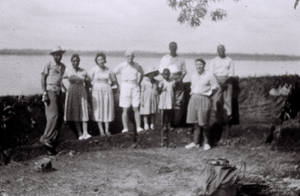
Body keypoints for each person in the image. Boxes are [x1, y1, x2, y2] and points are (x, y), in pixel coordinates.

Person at [185, 59, 218, 151]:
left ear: (204, 65)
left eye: (201, 65)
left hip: (204, 98)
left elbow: (215, 87)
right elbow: (192, 87)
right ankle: (195, 142)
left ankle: (206, 143)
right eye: (197, 65)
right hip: (194, 98)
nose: (199, 66)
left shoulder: (209, 75)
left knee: (204, 122)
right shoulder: (193, 75)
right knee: (195, 122)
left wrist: (208, 95)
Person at [40, 46, 66, 155]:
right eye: (56, 54)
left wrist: (64, 88)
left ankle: (52, 141)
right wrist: (44, 93)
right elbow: (43, 78)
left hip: (58, 91)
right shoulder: (49, 64)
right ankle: (45, 138)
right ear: (53, 55)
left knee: (59, 118)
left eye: (60, 54)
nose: (58, 56)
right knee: (53, 115)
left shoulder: (63, 66)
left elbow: (59, 80)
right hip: (50, 90)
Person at [113, 50, 144, 133]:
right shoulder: (122, 66)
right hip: (125, 86)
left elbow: (142, 73)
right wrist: (117, 85)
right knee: (125, 108)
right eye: (128, 56)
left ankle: (138, 127)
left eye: (131, 56)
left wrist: (139, 82)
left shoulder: (137, 65)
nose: (130, 57)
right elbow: (113, 74)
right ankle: (125, 128)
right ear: (125, 57)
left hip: (135, 85)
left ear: (134, 57)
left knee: (136, 107)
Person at [209, 44, 234, 144]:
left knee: (228, 103)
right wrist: (219, 82)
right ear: (217, 51)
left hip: (227, 82)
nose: (221, 51)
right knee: (216, 102)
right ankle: (218, 123)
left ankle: (227, 129)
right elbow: (211, 73)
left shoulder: (230, 60)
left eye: (222, 49)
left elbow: (231, 73)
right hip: (217, 82)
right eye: (219, 49)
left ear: (225, 50)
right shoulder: (214, 61)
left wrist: (225, 82)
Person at [159, 42, 187, 127]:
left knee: (178, 102)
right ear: (169, 48)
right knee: (168, 102)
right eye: (171, 48)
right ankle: (166, 123)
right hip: (168, 80)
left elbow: (184, 72)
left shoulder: (181, 58)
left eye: (174, 47)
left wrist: (179, 79)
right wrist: (167, 80)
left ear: (177, 48)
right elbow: (161, 72)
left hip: (178, 80)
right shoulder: (165, 58)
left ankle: (175, 123)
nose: (173, 49)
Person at [64, 54, 91, 140]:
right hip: (72, 92)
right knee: (76, 111)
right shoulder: (68, 70)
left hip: (82, 91)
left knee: (83, 110)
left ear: (79, 61)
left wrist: (88, 93)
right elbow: (60, 79)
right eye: (74, 61)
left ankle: (85, 132)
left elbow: (88, 83)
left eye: (77, 61)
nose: (76, 62)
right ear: (71, 62)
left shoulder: (83, 71)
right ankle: (79, 133)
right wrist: (64, 89)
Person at [89, 53, 116, 137]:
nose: (101, 61)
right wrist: (93, 88)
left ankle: (107, 130)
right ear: (96, 61)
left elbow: (114, 81)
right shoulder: (93, 70)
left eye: (102, 59)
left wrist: (108, 87)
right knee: (98, 110)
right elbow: (88, 81)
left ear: (105, 60)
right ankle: (101, 131)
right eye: (99, 60)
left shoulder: (109, 70)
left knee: (107, 109)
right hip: (97, 92)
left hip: (107, 91)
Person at [158, 68, 176, 147]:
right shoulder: (161, 82)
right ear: (162, 75)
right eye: (164, 74)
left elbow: (174, 89)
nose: (166, 76)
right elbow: (158, 91)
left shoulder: (173, 81)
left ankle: (169, 124)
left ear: (169, 74)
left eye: (167, 74)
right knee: (164, 112)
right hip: (164, 98)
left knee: (170, 112)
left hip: (170, 98)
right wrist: (161, 88)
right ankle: (164, 125)